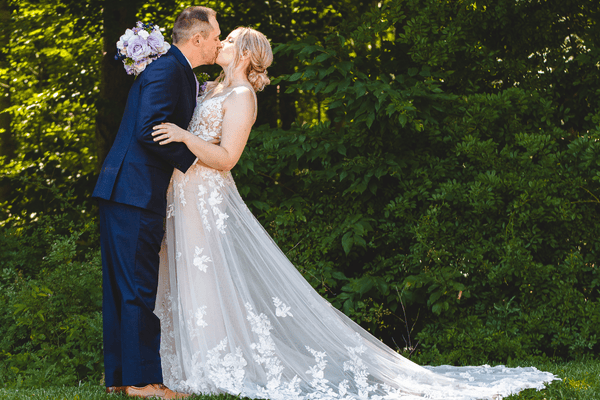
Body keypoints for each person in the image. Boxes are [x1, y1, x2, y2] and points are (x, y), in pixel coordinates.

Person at [151, 27, 558, 399]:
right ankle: (179, 363)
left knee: (205, 277)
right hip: (181, 195)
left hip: (208, 197)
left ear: (243, 53)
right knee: (183, 276)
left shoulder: (242, 97)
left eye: (229, 39)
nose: (219, 43)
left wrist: (185, 136)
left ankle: (214, 366)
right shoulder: (209, 87)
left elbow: (226, 158)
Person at [91, 6, 222, 398]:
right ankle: (141, 382)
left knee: (123, 287)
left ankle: (120, 376)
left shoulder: (174, 70)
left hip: (123, 192)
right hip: (134, 192)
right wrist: (191, 160)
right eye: (216, 35)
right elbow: (152, 129)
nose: (218, 42)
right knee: (137, 288)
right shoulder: (169, 71)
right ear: (197, 38)